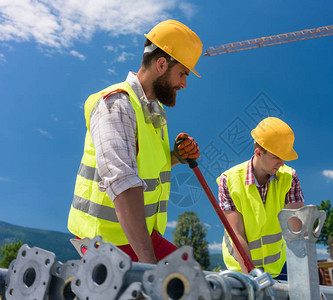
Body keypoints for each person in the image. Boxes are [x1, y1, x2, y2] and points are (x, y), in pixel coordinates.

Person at [67, 20, 203, 264]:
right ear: (162, 64)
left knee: (190, 276)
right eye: (183, 73)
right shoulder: (117, 104)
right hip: (107, 242)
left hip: (138, 236)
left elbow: (146, 165)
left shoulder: (153, 112)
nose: (184, 84)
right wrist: (149, 267)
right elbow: (123, 183)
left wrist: (176, 157)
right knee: (180, 283)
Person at [217, 117, 305, 280]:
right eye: (277, 156)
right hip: (240, 268)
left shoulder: (289, 177)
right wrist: (252, 277)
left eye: (284, 157)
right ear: (259, 152)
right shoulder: (228, 181)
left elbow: (298, 231)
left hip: (277, 268)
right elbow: (237, 234)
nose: (282, 162)